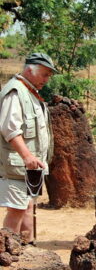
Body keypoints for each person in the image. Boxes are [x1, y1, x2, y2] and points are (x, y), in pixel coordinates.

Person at [0, 53, 57, 243]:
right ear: (29, 70)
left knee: (28, 207)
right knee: (16, 210)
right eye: (44, 74)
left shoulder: (29, 92)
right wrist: (26, 156)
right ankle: (7, 255)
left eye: (49, 75)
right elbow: (10, 130)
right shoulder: (15, 92)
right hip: (17, 166)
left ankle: (27, 250)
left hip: (30, 168)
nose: (46, 80)